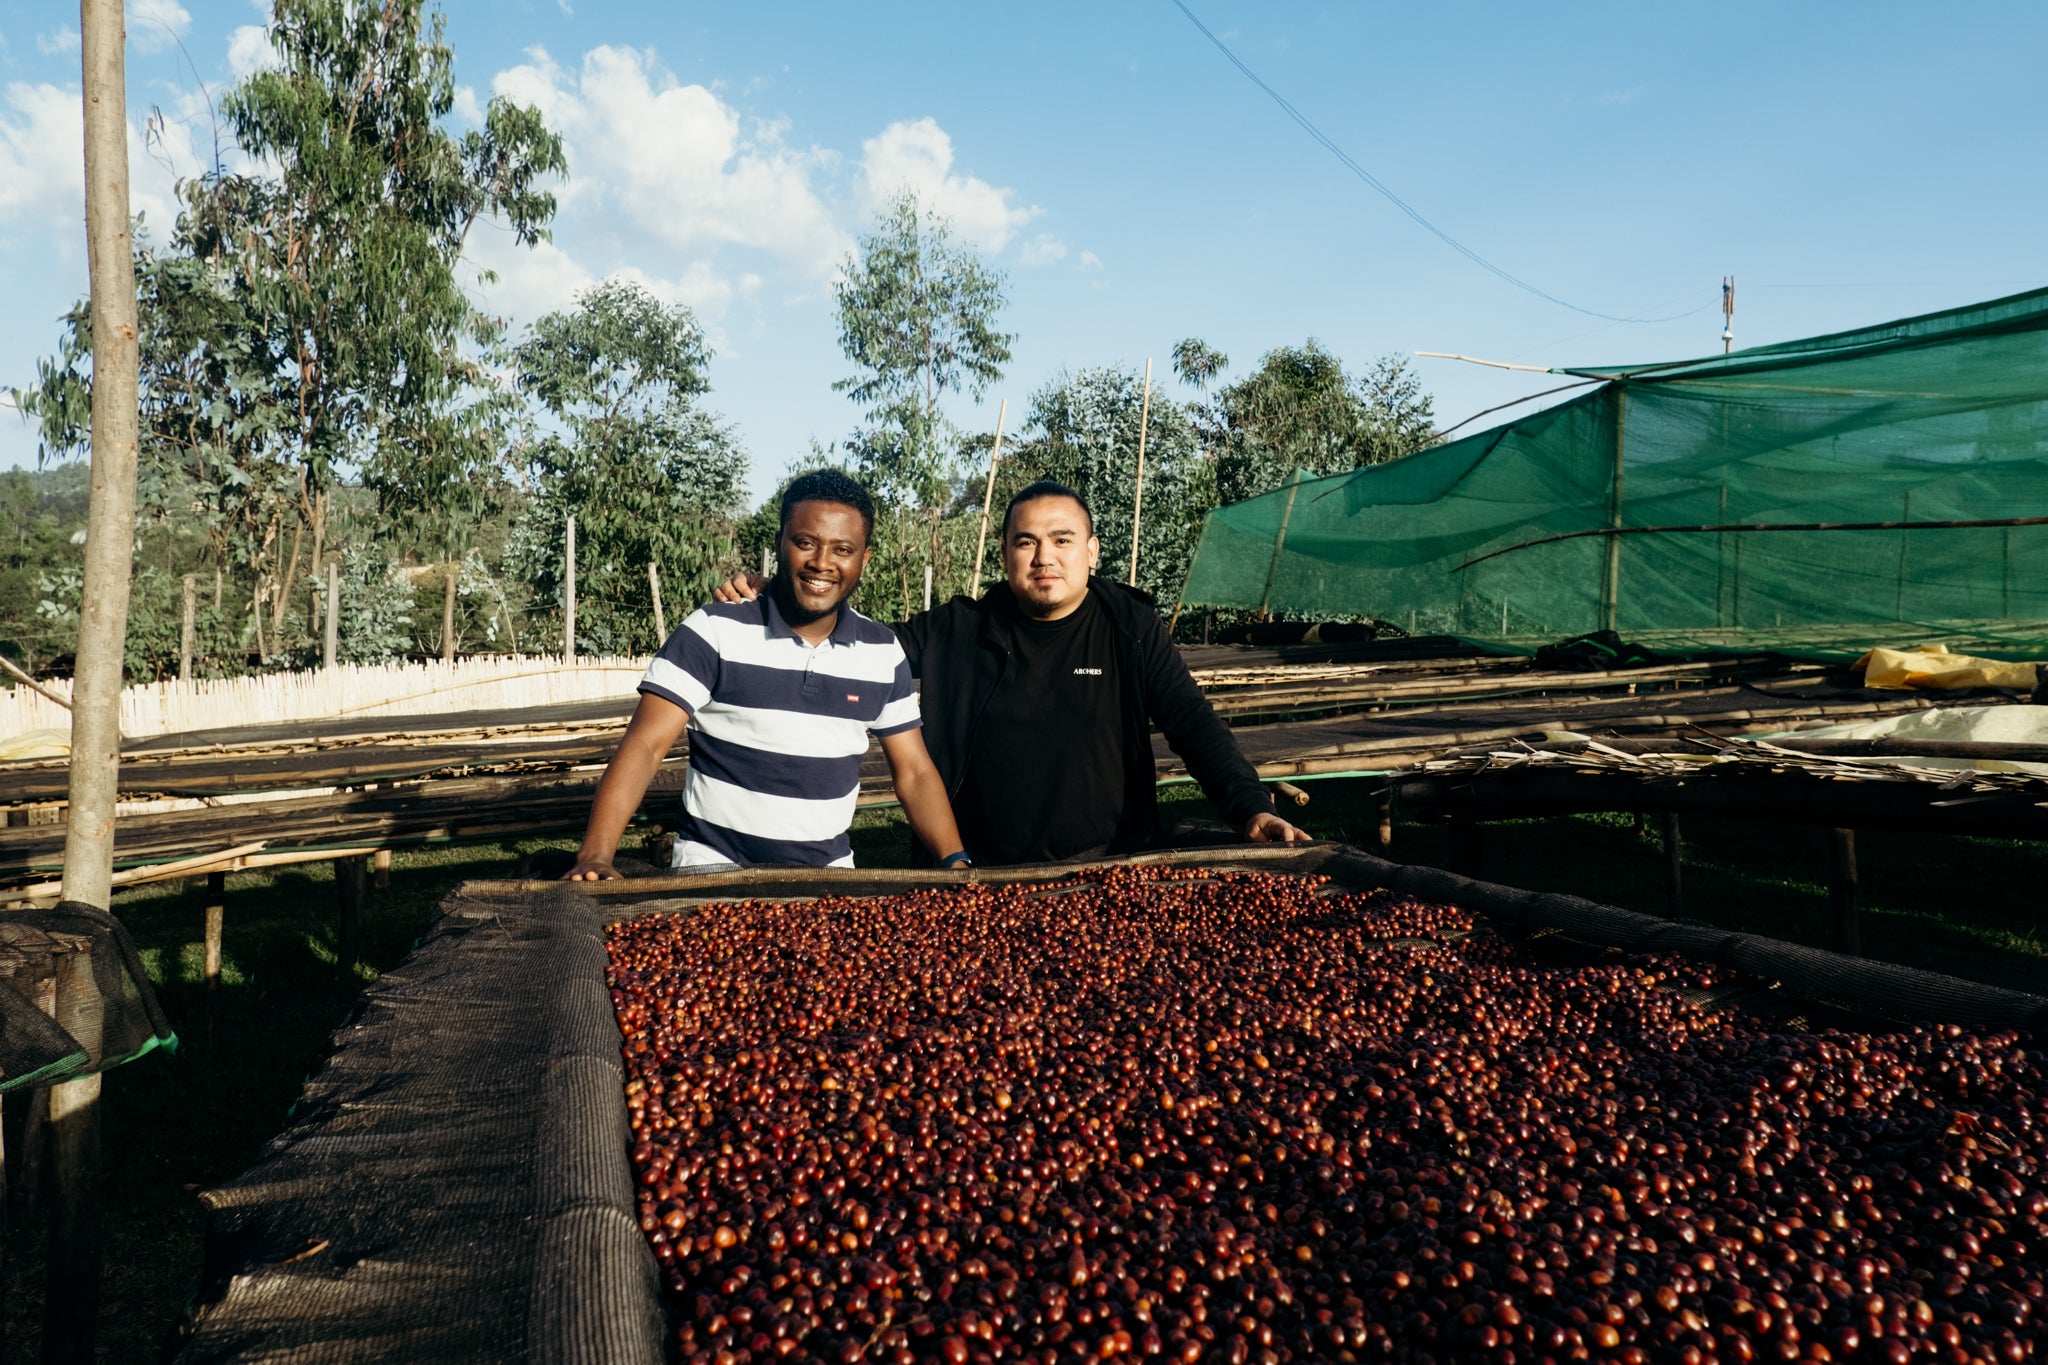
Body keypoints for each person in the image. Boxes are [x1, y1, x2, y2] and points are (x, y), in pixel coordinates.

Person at [716, 479, 1307, 864]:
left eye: (1061, 540)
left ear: (1092, 551)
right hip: (974, 872)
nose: (1044, 556)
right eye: (1026, 542)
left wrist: (1249, 806)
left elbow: (1193, 725)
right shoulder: (959, 627)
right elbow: (856, 643)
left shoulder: (1129, 626)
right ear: (1004, 553)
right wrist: (783, 596)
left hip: (1106, 863)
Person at [565, 470, 968, 879]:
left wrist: (954, 859)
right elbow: (646, 745)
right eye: (805, 543)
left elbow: (915, 772)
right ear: (779, 543)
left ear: (864, 558)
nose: (822, 563)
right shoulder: (713, 631)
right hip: (711, 872)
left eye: (842, 549)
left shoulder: (882, 651)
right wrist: (596, 854)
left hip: (828, 878)